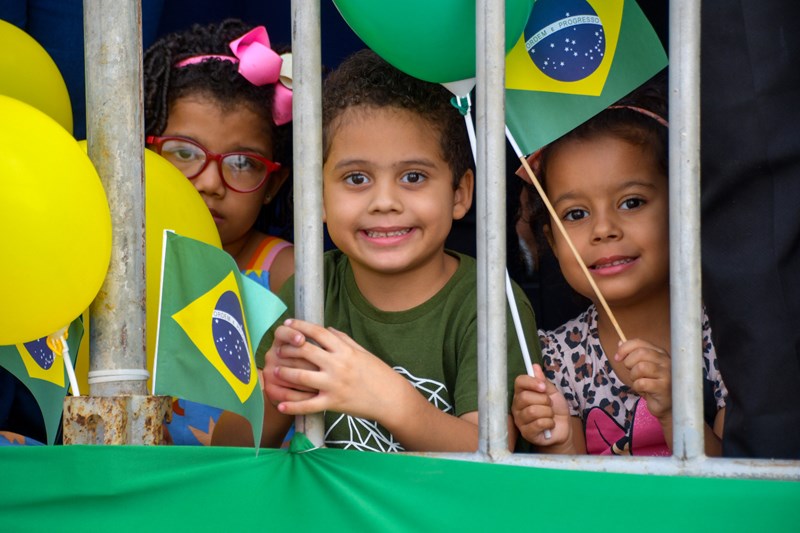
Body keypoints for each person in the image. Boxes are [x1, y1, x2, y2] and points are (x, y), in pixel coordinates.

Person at [212, 48, 540, 452]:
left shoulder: (488, 303)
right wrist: (273, 395)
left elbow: (491, 453)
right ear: (317, 196)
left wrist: (393, 401)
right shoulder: (308, 293)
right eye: (356, 178)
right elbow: (226, 451)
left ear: (460, 193)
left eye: (414, 176)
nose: (384, 201)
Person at [511, 75, 728, 456]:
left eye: (631, 203)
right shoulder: (557, 358)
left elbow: (739, 490)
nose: (604, 230)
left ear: (684, 207)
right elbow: (573, 499)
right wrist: (558, 437)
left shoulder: (725, 338)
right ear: (552, 241)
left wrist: (678, 411)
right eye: (576, 213)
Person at [143, 19, 294, 445]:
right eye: (184, 153)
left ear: (274, 185)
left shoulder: (286, 273)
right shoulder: (119, 263)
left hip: (241, 493)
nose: (210, 182)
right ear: (147, 153)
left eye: (243, 162)